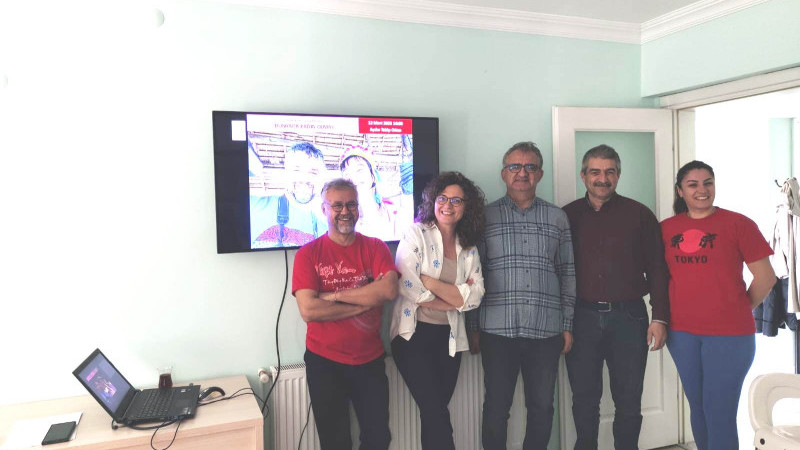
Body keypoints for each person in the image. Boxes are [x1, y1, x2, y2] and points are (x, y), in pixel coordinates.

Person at [466, 141, 575, 450]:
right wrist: (472, 326)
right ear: (504, 173)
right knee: (496, 407)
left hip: (546, 330)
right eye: (515, 166)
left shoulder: (557, 218)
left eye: (530, 167)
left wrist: (567, 324)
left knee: (542, 407)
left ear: (540, 174)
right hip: (496, 331)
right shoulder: (484, 217)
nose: (522, 173)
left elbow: (567, 272)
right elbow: (473, 274)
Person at [661, 160, 776, 450]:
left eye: (708, 183)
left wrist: (739, 307)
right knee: (698, 407)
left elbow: (766, 277)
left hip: (730, 336)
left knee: (718, 411)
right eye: (693, 184)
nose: (702, 189)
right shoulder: (666, 229)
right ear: (680, 191)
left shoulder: (739, 224)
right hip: (681, 334)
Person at [562, 145, 670, 450]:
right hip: (581, 318)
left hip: (630, 317)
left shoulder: (640, 214)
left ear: (618, 175)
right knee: (584, 398)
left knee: (629, 399)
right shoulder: (566, 216)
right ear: (583, 175)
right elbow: (556, 271)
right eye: (595, 172)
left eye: (610, 171)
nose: (603, 178)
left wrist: (660, 317)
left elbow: (658, 269)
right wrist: (561, 322)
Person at [291, 178, 399, 450]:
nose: (345, 211)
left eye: (351, 204)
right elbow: (309, 309)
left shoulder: (375, 247)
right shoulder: (308, 254)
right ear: (323, 209)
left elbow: (388, 290)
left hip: (369, 360)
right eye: (337, 205)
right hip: (324, 362)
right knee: (335, 443)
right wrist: (364, 300)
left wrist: (335, 296)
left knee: (378, 439)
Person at [390, 171, 486, 450]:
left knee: (434, 414)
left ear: (466, 207)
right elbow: (407, 284)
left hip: (450, 341)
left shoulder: (468, 247)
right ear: (432, 200)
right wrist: (455, 298)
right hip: (413, 337)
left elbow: (476, 296)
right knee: (436, 412)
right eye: (442, 198)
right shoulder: (416, 233)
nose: (448, 205)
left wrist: (430, 283)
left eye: (457, 200)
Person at [250, 142, 328, 248]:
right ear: (285, 174)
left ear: (322, 179)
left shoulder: (329, 226)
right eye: (296, 169)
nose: (304, 178)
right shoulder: (254, 206)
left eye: (313, 172)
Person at [339, 145, 396, 240]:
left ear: (373, 177)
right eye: (346, 174)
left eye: (359, 170)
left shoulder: (392, 212)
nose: (353, 177)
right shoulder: (340, 219)